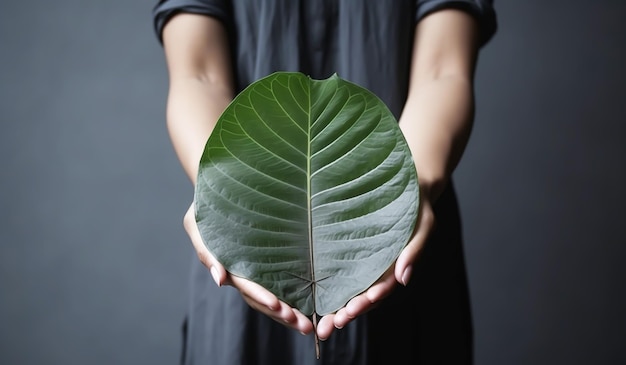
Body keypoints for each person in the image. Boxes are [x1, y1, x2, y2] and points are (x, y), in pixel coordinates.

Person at [152, 1, 497, 364]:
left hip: (396, 247)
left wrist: (415, 188)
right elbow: (197, 74)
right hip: (253, 245)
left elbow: (444, 69)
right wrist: (218, 192)